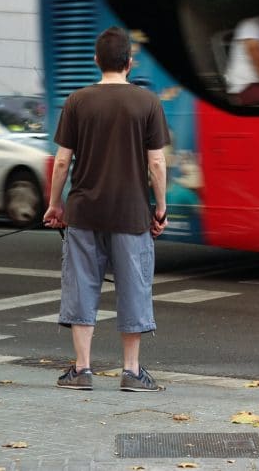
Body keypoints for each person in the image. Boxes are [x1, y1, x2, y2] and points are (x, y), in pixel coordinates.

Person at [43, 27, 169, 392]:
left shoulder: (77, 101)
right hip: (131, 215)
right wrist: (160, 209)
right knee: (133, 287)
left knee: (82, 286)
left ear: (96, 60)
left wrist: (55, 205)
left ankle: (81, 370)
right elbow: (157, 164)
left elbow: (63, 161)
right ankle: (131, 372)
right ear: (130, 62)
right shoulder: (148, 103)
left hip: (84, 211)